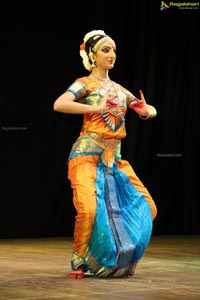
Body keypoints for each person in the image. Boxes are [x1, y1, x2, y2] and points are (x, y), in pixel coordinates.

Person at [53, 29, 157, 279]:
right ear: (92, 54)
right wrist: (97, 106)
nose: (112, 55)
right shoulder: (85, 84)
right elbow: (59, 104)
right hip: (86, 156)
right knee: (88, 209)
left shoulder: (120, 89)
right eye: (106, 50)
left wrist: (145, 111)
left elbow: (149, 109)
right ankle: (79, 262)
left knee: (147, 207)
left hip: (114, 160)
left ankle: (118, 259)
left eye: (114, 50)